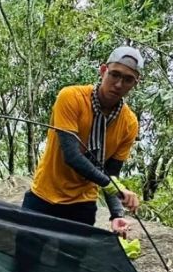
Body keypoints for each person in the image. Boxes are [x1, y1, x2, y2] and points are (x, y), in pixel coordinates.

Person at [28, 46, 144, 234]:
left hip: (82, 203)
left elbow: (111, 173)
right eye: (115, 74)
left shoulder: (129, 123)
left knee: (71, 262)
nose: (118, 84)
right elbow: (72, 155)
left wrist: (117, 214)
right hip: (44, 195)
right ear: (103, 70)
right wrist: (113, 187)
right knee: (26, 258)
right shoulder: (71, 97)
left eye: (128, 79)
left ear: (135, 83)